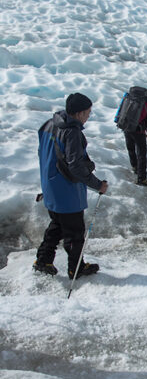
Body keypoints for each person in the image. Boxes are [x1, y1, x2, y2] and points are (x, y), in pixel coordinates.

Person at [34, 93, 108, 279]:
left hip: (51, 187)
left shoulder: (49, 125)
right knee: (74, 233)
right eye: (88, 112)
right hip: (67, 192)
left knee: (57, 225)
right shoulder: (72, 132)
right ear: (80, 113)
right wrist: (97, 185)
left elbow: (43, 152)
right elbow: (75, 165)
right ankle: (76, 269)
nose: (89, 116)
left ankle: (43, 260)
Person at [124, 89, 147, 186]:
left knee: (131, 148)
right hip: (138, 131)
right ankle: (142, 179)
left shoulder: (132, 99)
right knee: (141, 154)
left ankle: (134, 167)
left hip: (126, 127)